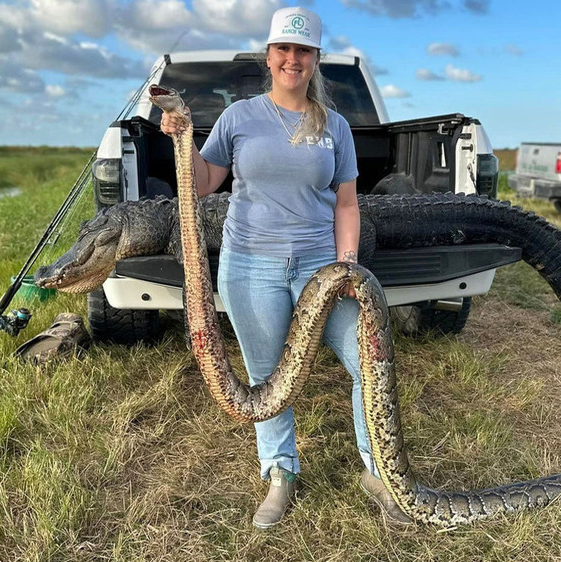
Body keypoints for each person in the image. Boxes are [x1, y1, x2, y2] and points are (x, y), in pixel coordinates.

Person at [160, 6, 411, 529]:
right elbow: (205, 183)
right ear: (269, 56)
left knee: (368, 362)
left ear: (314, 60)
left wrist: (347, 268)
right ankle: (280, 473)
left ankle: (378, 470)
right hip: (250, 264)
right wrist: (182, 138)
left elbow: (346, 204)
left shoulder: (334, 126)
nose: (292, 59)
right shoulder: (239, 117)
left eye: (303, 51)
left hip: (322, 268)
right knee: (267, 378)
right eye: (283, 50)